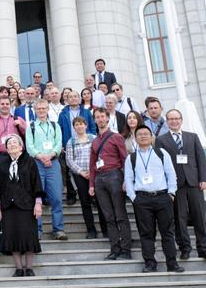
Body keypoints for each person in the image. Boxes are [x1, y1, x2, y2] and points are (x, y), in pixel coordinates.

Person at [156, 109, 206, 261]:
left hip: (194, 182)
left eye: (176, 118)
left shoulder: (192, 137)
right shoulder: (161, 140)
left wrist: (204, 179)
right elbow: (161, 164)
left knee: (199, 216)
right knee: (179, 218)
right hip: (176, 184)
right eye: (170, 119)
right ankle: (185, 248)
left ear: (181, 120)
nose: (174, 121)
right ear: (167, 121)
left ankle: (203, 248)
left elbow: (200, 159)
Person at [125, 125, 184, 273]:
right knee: (146, 234)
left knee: (167, 233)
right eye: (140, 134)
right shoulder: (131, 157)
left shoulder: (161, 153)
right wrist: (133, 198)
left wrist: (171, 193)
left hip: (163, 197)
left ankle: (172, 263)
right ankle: (150, 263)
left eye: (146, 134)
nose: (143, 136)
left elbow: (171, 174)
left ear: (152, 137)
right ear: (136, 138)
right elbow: (129, 179)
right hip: (142, 200)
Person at [0, 135, 44, 277]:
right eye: (9, 143)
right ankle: (18, 268)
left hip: (27, 205)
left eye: (15, 142)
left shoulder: (29, 161)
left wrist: (38, 204)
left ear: (21, 146)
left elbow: (37, 183)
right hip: (8, 206)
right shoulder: (1, 162)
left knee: (28, 236)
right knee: (12, 237)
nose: (12, 145)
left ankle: (29, 268)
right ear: (6, 148)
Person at [89, 107, 132, 260]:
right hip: (100, 179)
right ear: (94, 120)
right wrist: (91, 185)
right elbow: (92, 164)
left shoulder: (116, 137)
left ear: (107, 118)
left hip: (114, 176)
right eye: (97, 117)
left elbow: (125, 159)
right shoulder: (94, 141)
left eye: (102, 116)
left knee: (120, 215)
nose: (100, 119)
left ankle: (126, 249)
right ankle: (115, 249)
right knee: (109, 216)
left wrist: (127, 180)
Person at [25, 100, 65, 240]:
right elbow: (29, 147)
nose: (41, 110)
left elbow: (58, 144)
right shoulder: (31, 127)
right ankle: (37, 229)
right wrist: (42, 157)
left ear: (48, 109)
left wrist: (50, 156)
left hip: (53, 164)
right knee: (37, 197)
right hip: (36, 164)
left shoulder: (55, 125)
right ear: (35, 109)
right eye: (39, 108)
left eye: (43, 108)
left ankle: (58, 229)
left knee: (56, 198)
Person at [64, 116, 106, 239]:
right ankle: (91, 229)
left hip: (95, 174)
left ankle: (105, 229)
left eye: (81, 124)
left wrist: (94, 170)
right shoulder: (70, 141)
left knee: (100, 202)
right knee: (85, 202)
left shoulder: (94, 139)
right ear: (74, 127)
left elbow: (100, 155)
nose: (79, 126)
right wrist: (81, 172)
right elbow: (69, 160)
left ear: (86, 125)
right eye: (76, 124)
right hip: (80, 175)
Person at [0, 96, 27, 201]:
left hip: (17, 155)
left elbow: (29, 135)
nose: (5, 106)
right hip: (1, 155)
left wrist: (21, 126)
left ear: (10, 105)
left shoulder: (18, 119)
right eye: (2, 104)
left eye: (7, 104)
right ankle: (0, 201)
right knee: (1, 181)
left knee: (18, 179)